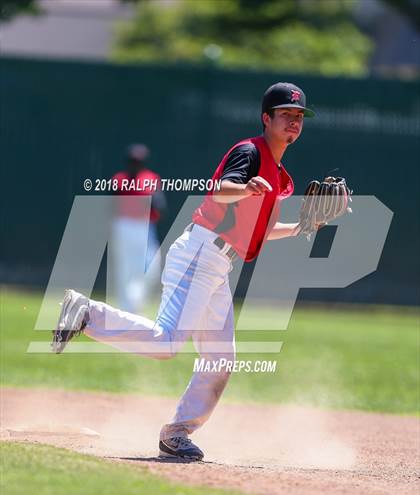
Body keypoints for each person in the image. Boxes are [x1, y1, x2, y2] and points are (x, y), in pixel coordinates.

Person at [51, 82, 315, 461]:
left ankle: (176, 434)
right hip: (200, 254)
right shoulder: (250, 153)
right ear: (266, 119)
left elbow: (259, 230)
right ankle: (87, 313)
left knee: (221, 359)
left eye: (299, 116)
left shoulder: (276, 173)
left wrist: (302, 228)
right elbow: (220, 189)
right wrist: (245, 187)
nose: (294, 121)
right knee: (166, 343)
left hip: (217, 264)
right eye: (286, 114)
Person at [112, 144, 166, 312]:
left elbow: (160, 206)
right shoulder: (119, 179)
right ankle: (126, 310)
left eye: (138, 161)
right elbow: (111, 206)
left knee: (152, 267)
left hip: (144, 227)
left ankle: (136, 301)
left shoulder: (150, 179)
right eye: (132, 161)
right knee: (125, 270)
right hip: (124, 227)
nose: (134, 165)